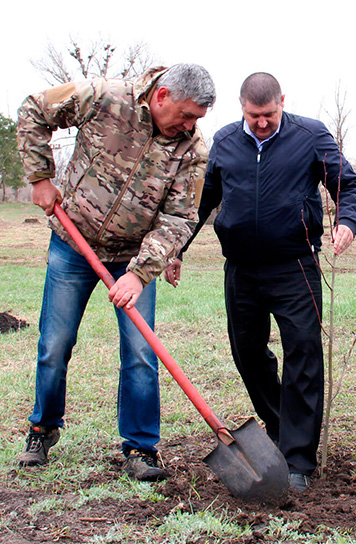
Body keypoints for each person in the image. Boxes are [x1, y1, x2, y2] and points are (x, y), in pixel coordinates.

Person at [165, 72, 356, 491]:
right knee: (248, 356)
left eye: (269, 114)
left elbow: (348, 184)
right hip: (240, 270)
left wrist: (347, 221)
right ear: (241, 108)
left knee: (304, 357)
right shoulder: (222, 142)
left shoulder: (309, 136)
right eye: (254, 115)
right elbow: (201, 202)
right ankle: (280, 427)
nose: (261, 123)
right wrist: (176, 248)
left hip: (295, 267)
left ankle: (297, 461)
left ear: (282, 103)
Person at [16, 63, 215, 480]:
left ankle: (141, 449)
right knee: (55, 343)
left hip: (133, 255)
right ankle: (42, 429)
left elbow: (179, 220)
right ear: (162, 97)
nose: (191, 124)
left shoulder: (192, 150)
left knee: (141, 353)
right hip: (73, 245)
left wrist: (139, 273)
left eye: (198, 118)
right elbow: (35, 108)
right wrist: (39, 176)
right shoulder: (104, 96)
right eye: (188, 114)